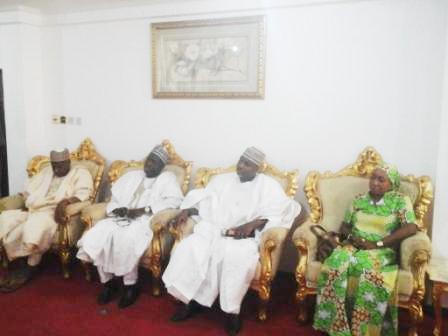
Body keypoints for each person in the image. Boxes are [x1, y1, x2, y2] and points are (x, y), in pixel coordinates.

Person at [162, 147, 301, 335]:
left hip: (242, 239)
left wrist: (253, 223)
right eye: (241, 161)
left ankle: (232, 312)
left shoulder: (268, 186)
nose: (241, 166)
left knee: (237, 258)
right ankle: (189, 301)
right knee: (190, 247)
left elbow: (285, 210)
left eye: (247, 164)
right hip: (214, 231)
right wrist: (187, 211)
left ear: (257, 168)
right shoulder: (222, 181)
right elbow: (205, 202)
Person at [313, 164, 418, 336]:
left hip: (381, 249)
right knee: (335, 262)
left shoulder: (400, 200)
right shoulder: (358, 199)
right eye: (373, 178)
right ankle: (337, 326)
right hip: (354, 245)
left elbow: (411, 228)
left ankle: (364, 330)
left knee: (363, 266)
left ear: (391, 184)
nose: (375, 182)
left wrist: (376, 244)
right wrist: (352, 238)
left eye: (381, 179)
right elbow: (345, 226)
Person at [77, 144, 183, 309]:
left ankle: (130, 285)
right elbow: (115, 200)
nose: (149, 165)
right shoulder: (132, 176)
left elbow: (174, 202)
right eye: (148, 160)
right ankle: (108, 282)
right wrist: (118, 209)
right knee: (97, 235)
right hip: (121, 218)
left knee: (126, 240)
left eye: (154, 162)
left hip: (144, 221)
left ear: (162, 166)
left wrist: (143, 210)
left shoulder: (167, 179)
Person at [0, 148, 93, 292]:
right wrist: (27, 201)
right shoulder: (46, 172)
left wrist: (65, 202)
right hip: (35, 208)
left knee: (36, 227)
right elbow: (28, 191)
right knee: (6, 219)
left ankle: (31, 265)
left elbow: (85, 193)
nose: (57, 168)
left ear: (68, 162)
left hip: (53, 211)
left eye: (61, 165)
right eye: (54, 165)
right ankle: (21, 260)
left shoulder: (80, 173)